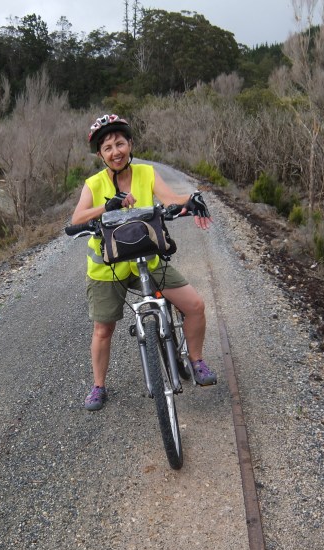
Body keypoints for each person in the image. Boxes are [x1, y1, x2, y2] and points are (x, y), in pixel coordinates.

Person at [71, 114, 218, 411]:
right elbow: (76, 220)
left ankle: (196, 360)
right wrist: (106, 207)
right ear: (100, 155)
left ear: (130, 144)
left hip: (147, 261)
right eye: (108, 147)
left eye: (120, 143)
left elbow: (170, 198)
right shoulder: (94, 183)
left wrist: (190, 200)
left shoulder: (147, 173)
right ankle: (98, 386)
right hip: (106, 268)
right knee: (103, 329)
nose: (116, 152)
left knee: (195, 306)